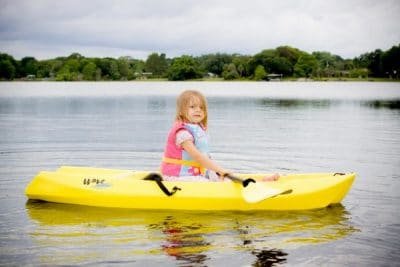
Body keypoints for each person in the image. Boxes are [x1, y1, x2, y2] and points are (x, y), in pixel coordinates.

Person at [160, 89, 279, 182]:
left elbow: (205, 157)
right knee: (215, 179)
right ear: (181, 111)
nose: (198, 110)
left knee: (225, 178)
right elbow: (198, 157)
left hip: (197, 173)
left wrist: (219, 172)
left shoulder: (198, 129)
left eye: (201, 107)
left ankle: (259, 182)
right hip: (176, 177)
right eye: (192, 107)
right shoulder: (182, 133)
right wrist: (221, 170)